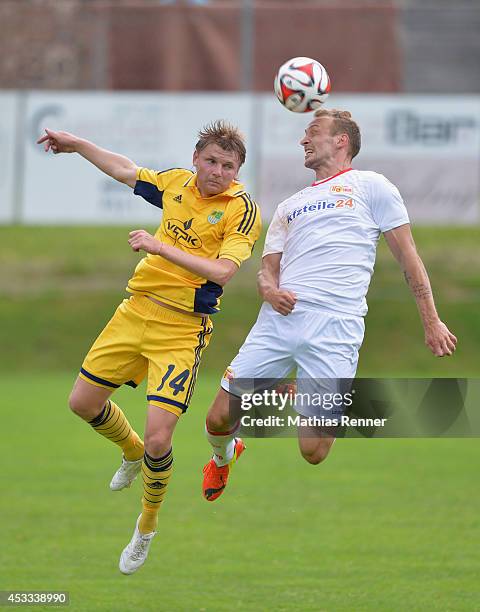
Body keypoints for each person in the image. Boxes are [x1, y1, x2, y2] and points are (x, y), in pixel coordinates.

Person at [37, 121, 261, 573]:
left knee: (162, 437)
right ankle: (131, 451)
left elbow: (222, 272)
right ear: (196, 158)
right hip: (136, 311)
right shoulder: (177, 183)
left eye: (228, 166)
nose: (218, 172)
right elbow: (125, 170)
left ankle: (146, 526)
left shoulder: (241, 209)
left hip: (183, 329)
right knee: (82, 403)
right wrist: (77, 144)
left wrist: (158, 246)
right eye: (211, 161)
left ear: (238, 172)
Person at [201, 108, 457, 502]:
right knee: (217, 418)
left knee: (313, 452)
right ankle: (223, 457)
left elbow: (409, 258)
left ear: (342, 141)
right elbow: (267, 271)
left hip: (336, 330)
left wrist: (432, 320)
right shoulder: (290, 205)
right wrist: (270, 291)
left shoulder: (372, 186)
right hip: (279, 322)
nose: (303, 140)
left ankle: (297, 389)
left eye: (313, 132)